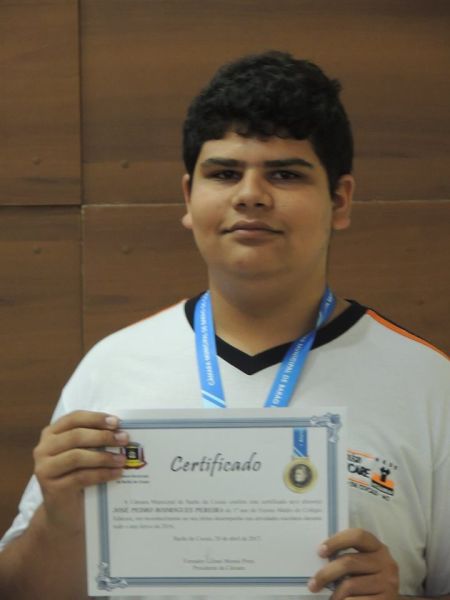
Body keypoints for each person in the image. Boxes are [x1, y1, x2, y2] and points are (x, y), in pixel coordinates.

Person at [0, 50, 448, 600]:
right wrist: (59, 521)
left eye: (285, 173)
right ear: (189, 198)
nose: (250, 194)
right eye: (225, 173)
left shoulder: (428, 384)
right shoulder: (112, 367)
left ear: (339, 200)